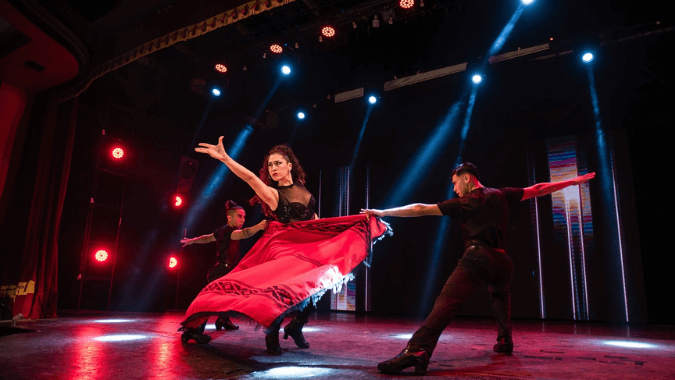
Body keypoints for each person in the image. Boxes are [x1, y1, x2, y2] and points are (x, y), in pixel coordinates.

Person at [362, 162, 595, 375]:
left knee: (446, 303)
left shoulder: (466, 202)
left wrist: (382, 212)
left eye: (454, 183)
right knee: (500, 294)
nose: (453, 189)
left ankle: (417, 350)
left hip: (477, 259)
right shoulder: (502, 194)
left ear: (466, 178)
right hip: (503, 263)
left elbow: (420, 209)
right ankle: (505, 341)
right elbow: (539, 189)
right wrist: (571, 182)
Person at [194, 139, 319, 354]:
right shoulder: (272, 194)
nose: (274, 168)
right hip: (283, 252)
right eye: (270, 165)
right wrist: (226, 159)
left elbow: (314, 218)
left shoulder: (302, 189)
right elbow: (249, 177)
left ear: (290, 165)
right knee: (278, 296)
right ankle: (272, 336)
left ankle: (296, 327)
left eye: (278, 163)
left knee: (312, 292)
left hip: (305, 250)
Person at [178, 200, 267, 344]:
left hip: (227, 272)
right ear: (229, 218)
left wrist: (193, 240)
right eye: (239, 216)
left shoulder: (221, 231)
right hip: (220, 272)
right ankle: (192, 331)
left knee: (228, 299)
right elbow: (243, 234)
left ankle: (223, 320)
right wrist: (258, 227)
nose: (242, 220)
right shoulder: (229, 232)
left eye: (244, 217)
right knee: (210, 303)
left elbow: (207, 238)